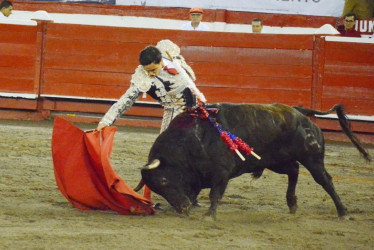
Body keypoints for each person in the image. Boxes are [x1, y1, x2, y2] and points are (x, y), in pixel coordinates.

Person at [96, 39, 206, 133]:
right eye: (147, 71)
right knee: (166, 148)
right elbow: (125, 101)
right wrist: (106, 122)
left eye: (153, 70)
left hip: (197, 107)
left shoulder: (172, 57)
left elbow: (190, 82)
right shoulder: (142, 77)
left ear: (161, 62)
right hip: (173, 112)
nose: (150, 74)